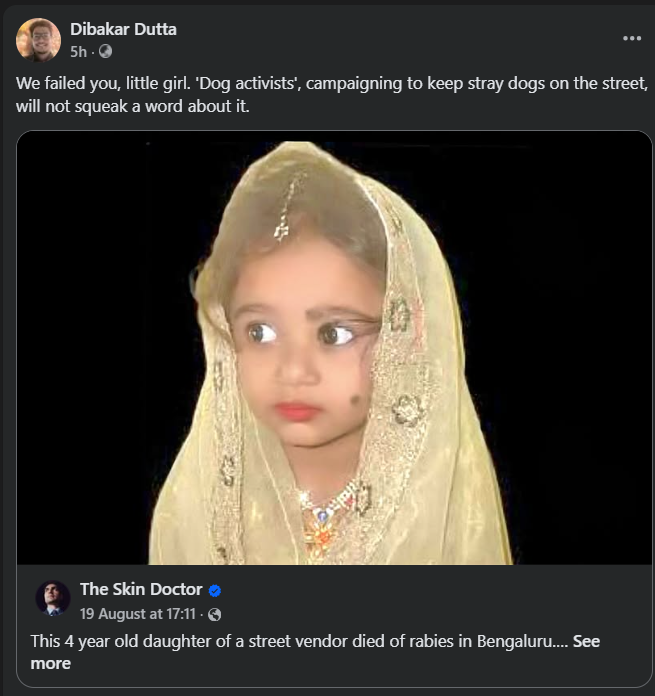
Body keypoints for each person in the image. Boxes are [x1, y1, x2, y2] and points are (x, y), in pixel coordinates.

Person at [149, 141, 512, 565]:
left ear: (403, 332)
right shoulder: (199, 506)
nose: (293, 370)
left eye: (333, 333)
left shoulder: (442, 503)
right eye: (260, 331)